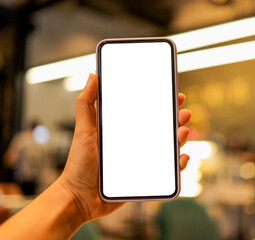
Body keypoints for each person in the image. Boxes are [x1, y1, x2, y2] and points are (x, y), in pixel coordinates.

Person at [0, 73, 192, 239]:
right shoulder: (34, 142)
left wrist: (76, 197)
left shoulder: (20, 138)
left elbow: (11, 158)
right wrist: (75, 196)